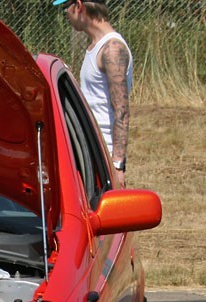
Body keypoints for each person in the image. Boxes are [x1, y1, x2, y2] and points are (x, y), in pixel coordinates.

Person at [55, 0, 132, 186]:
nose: (66, 16)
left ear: (79, 6)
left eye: (66, 8)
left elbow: (122, 111)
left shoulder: (112, 49)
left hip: (103, 156)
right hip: (89, 148)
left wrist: (117, 165)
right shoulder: (95, 46)